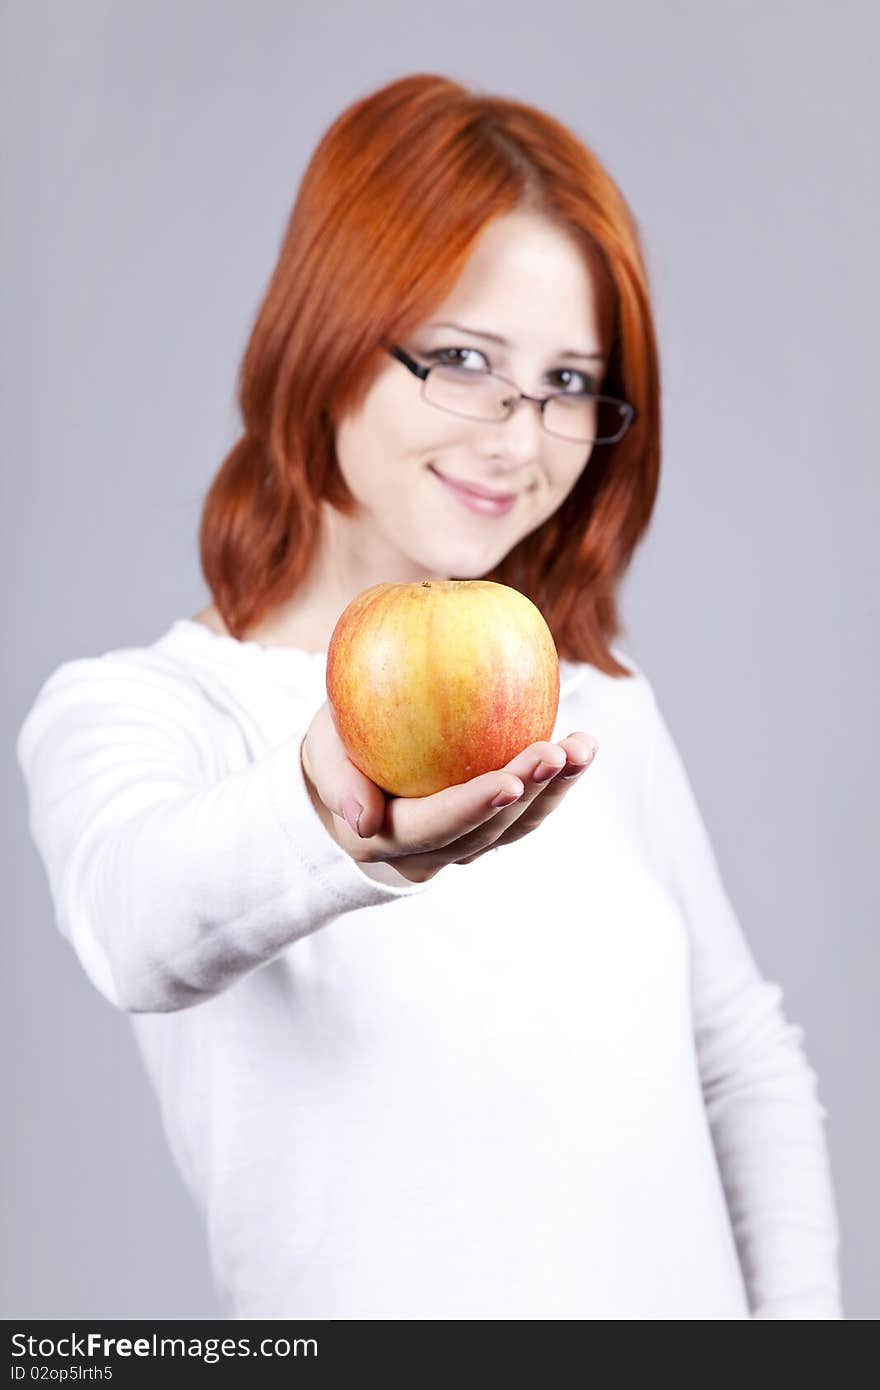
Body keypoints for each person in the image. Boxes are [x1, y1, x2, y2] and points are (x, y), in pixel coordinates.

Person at [15, 72, 843, 1319]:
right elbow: (138, 925)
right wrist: (332, 817)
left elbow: (738, 1060)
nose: (520, 441)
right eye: (463, 359)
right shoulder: (142, 710)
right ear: (332, 335)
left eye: (571, 382)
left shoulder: (591, 699)